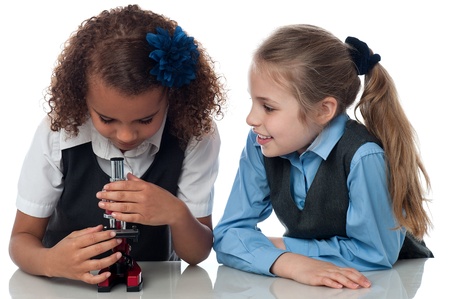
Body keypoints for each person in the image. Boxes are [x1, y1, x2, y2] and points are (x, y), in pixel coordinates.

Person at [9, 4, 226, 286]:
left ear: (173, 98)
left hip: (158, 285)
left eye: (146, 119)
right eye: (107, 118)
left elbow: (196, 255)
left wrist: (176, 212)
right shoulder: (58, 132)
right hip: (64, 286)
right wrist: (50, 262)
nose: (125, 136)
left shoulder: (195, 134)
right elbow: (21, 240)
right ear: (82, 97)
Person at [213, 24, 433, 289]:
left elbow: (376, 255)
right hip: (318, 283)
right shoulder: (261, 143)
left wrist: (283, 246)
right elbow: (227, 235)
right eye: (253, 102)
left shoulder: (363, 157)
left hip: (388, 283)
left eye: (268, 107)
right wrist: (288, 263)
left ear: (323, 110)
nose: (251, 119)